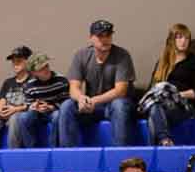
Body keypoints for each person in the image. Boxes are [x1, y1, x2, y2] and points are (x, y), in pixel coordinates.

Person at [58, 20, 138, 148]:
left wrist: (94, 100)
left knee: (119, 105)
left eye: (108, 35)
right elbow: (73, 88)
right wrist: (81, 98)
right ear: (91, 38)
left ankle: (121, 158)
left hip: (116, 104)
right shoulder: (81, 55)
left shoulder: (122, 55)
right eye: (100, 36)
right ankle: (68, 157)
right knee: (67, 105)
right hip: (94, 106)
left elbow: (120, 91)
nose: (105, 39)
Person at [143, 23, 195, 143]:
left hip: (184, 105)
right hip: (161, 104)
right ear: (172, 40)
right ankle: (165, 141)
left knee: (154, 113)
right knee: (154, 108)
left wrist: (174, 94)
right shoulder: (162, 62)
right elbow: (151, 89)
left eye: (187, 38)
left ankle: (156, 149)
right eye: (179, 37)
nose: (184, 41)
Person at [9, 53, 70, 148]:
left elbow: (66, 102)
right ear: (34, 73)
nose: (46, 69)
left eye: (46, 66)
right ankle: (31, 149)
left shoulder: (61, 81)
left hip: (54, 111)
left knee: (58, 116)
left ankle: (54, 148)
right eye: (41, 69)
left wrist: (51, 107)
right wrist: (33, 106)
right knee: (23, 118)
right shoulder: (29, 86)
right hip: (37, 113)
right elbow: (28, 104)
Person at [0, 47, 34, 150]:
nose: (15, 63)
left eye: (19, 61)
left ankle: (13, 152)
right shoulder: (8, 82)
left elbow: (32, 104)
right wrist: (1, 110)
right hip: (6, 114)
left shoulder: (33, 81)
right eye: (13, 61)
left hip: (21, 114)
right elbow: (2, 101)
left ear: (28, 62)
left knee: (15, 119)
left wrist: (15, 110)